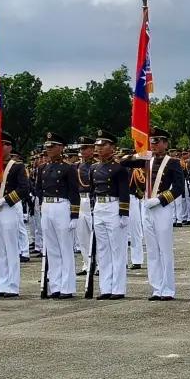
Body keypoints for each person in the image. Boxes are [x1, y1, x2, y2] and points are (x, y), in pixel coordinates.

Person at [123, 127, 185, 301]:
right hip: (146, 207)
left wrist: (160, 200)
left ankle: (168, 289)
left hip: (161, 207)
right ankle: (156, 287)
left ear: (165, 143)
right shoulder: (146, 160)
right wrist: (139, 154)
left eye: (157, 142)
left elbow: (179, 188)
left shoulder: (172, 162)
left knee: (164, 249)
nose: (154, 145)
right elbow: (123, 162)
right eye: (152, 142)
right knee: (151, 250)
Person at [33, 132, 80, 300]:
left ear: (61, 148)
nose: (49, 149)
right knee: (52, 249)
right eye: (47, 146)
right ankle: (55, 286)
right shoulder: (42, 168)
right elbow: (38, 189)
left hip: (62, 206)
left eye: (52, 146)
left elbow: (75, 192)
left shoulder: (68, 168)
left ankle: (67, 286)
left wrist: (74, 215)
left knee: (65, 248)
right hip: (47, 206)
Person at [88, 129, 131, 300]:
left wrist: (123, 213)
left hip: (113, 206)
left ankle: (118, 288)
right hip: (99, 207)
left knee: (117, 249)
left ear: (112, 147)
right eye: (97, 145)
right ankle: (105, 287)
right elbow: (92, 190)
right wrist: (93, 209)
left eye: (102, 145)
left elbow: (124, 192)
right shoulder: (94, 168)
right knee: (103, 249)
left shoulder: (119, 168)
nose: (98, 148)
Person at [0, 133, 31, 298]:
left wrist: (5, 200)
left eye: (4, 144)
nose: (0, 147)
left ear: (10, 147)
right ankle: (0, 285)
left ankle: (12, 286)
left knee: (10, 248)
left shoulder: (17, 166)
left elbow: (23, 189)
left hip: (8, 207)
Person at [73, 136, 95, 277]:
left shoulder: (97, 165)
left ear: (93, 149)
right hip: (81, 201)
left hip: (93, 200)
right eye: (81, 148)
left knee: (96, 235)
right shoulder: (76, 166)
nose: (83, 151)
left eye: (85, 148)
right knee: (82, 235)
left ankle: (97, 263)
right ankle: (86, 264)